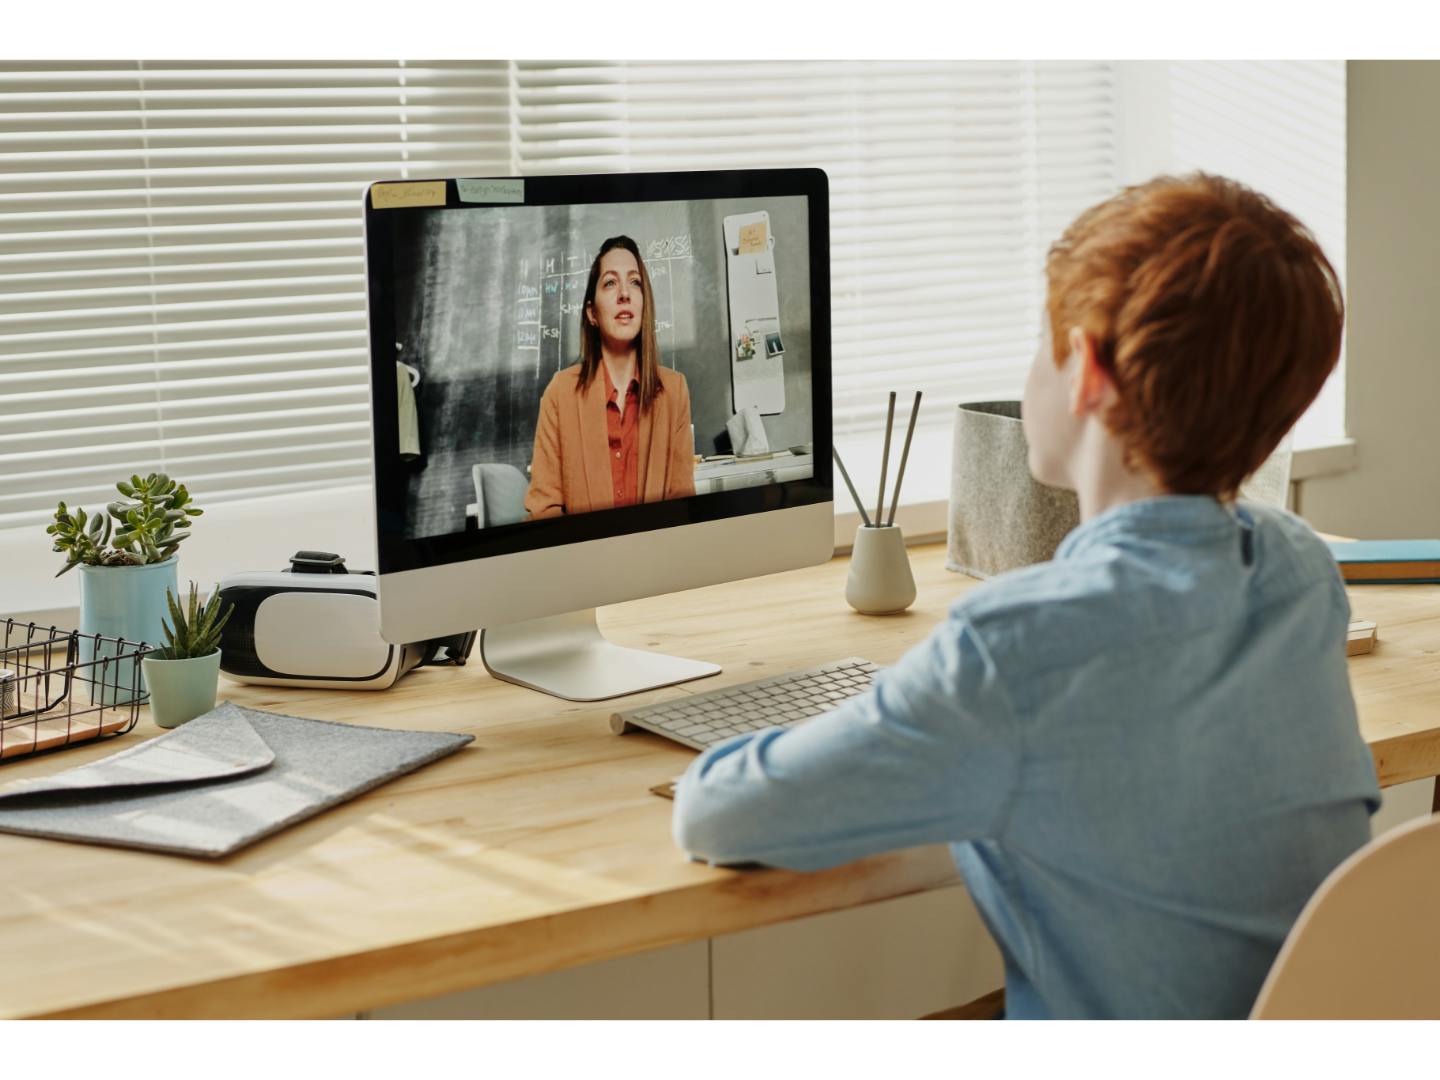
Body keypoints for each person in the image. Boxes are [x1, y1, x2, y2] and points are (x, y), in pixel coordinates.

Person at [670, 174, 1381, 1019]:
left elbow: (721, 816)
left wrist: (875, 719)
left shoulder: (1016, 650)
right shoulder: (1298, 571)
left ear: (1086, 370)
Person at [524, 236, 695, 520]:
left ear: (644, 304)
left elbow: (682, 505)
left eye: (635, 282)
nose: (624, 294)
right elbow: (545, 511)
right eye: (610, 283)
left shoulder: (674, 391)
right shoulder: (560, 393)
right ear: (592, 312)